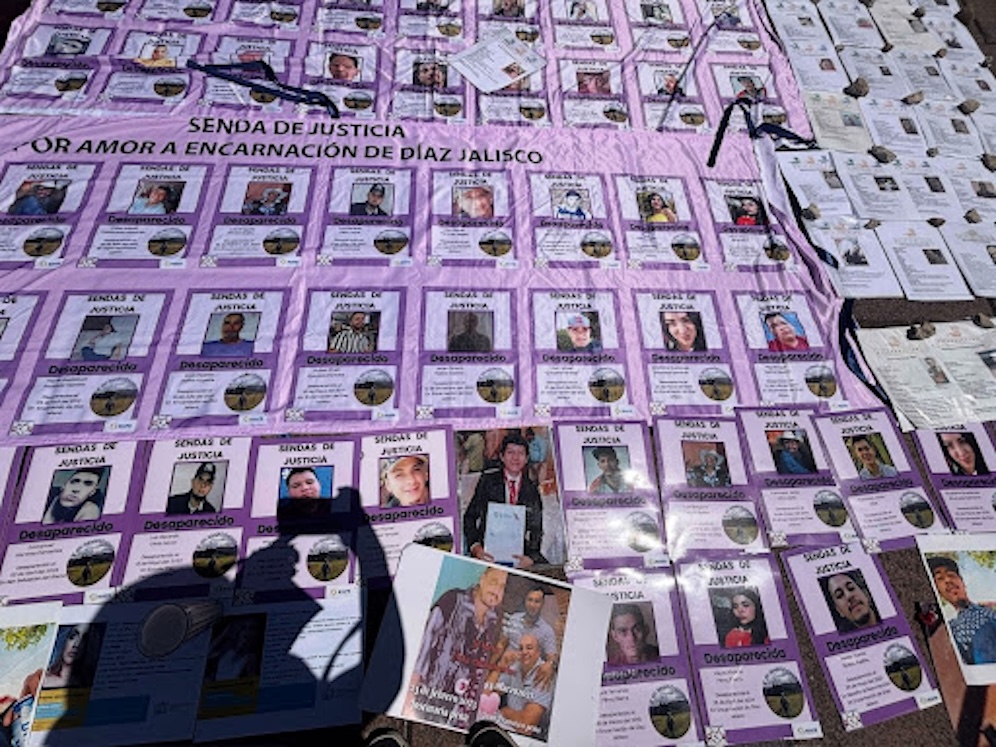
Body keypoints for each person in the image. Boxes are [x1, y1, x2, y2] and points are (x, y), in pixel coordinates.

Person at [405, 566, 508, 729]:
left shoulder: (495, 622)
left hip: (461, 716)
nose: (497, 590)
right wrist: (408, 700)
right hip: (429, 703)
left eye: (502, 587)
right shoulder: (451, 600)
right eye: (494, 582)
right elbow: (421, 652)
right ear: (482, 578)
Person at [464, 434, 547, 568]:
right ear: (502, 456)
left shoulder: (531, 489)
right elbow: (470, 517)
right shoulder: (488, 481)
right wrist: (475, 547)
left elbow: (536, 529)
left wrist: (531, 558)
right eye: (510, 452)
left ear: (526, 459)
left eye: (520, 453)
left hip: (519, 552)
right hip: (486, 550)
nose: (515, 458)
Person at [928, 556, 996, 666]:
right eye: (940, 578)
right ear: (938, 592)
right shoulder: (950, 629)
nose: (948, 580)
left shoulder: (990, 609)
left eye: (951, 575)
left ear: (962, 582)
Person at [491, 634, 553, 736]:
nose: (524, 652)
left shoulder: (543, 674)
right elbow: (488, 692)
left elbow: (526, 726)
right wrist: (500, 666)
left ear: (538, 652)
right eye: (521, 648)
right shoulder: (515, 667)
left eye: (529, 648)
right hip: (507, 729)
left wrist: (505, 712)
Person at [43, 624, 101, 689]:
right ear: (64, 638)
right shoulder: (42, 677)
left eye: (84, 639)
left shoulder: (89, 683)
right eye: (72, 637)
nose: (76, 644)